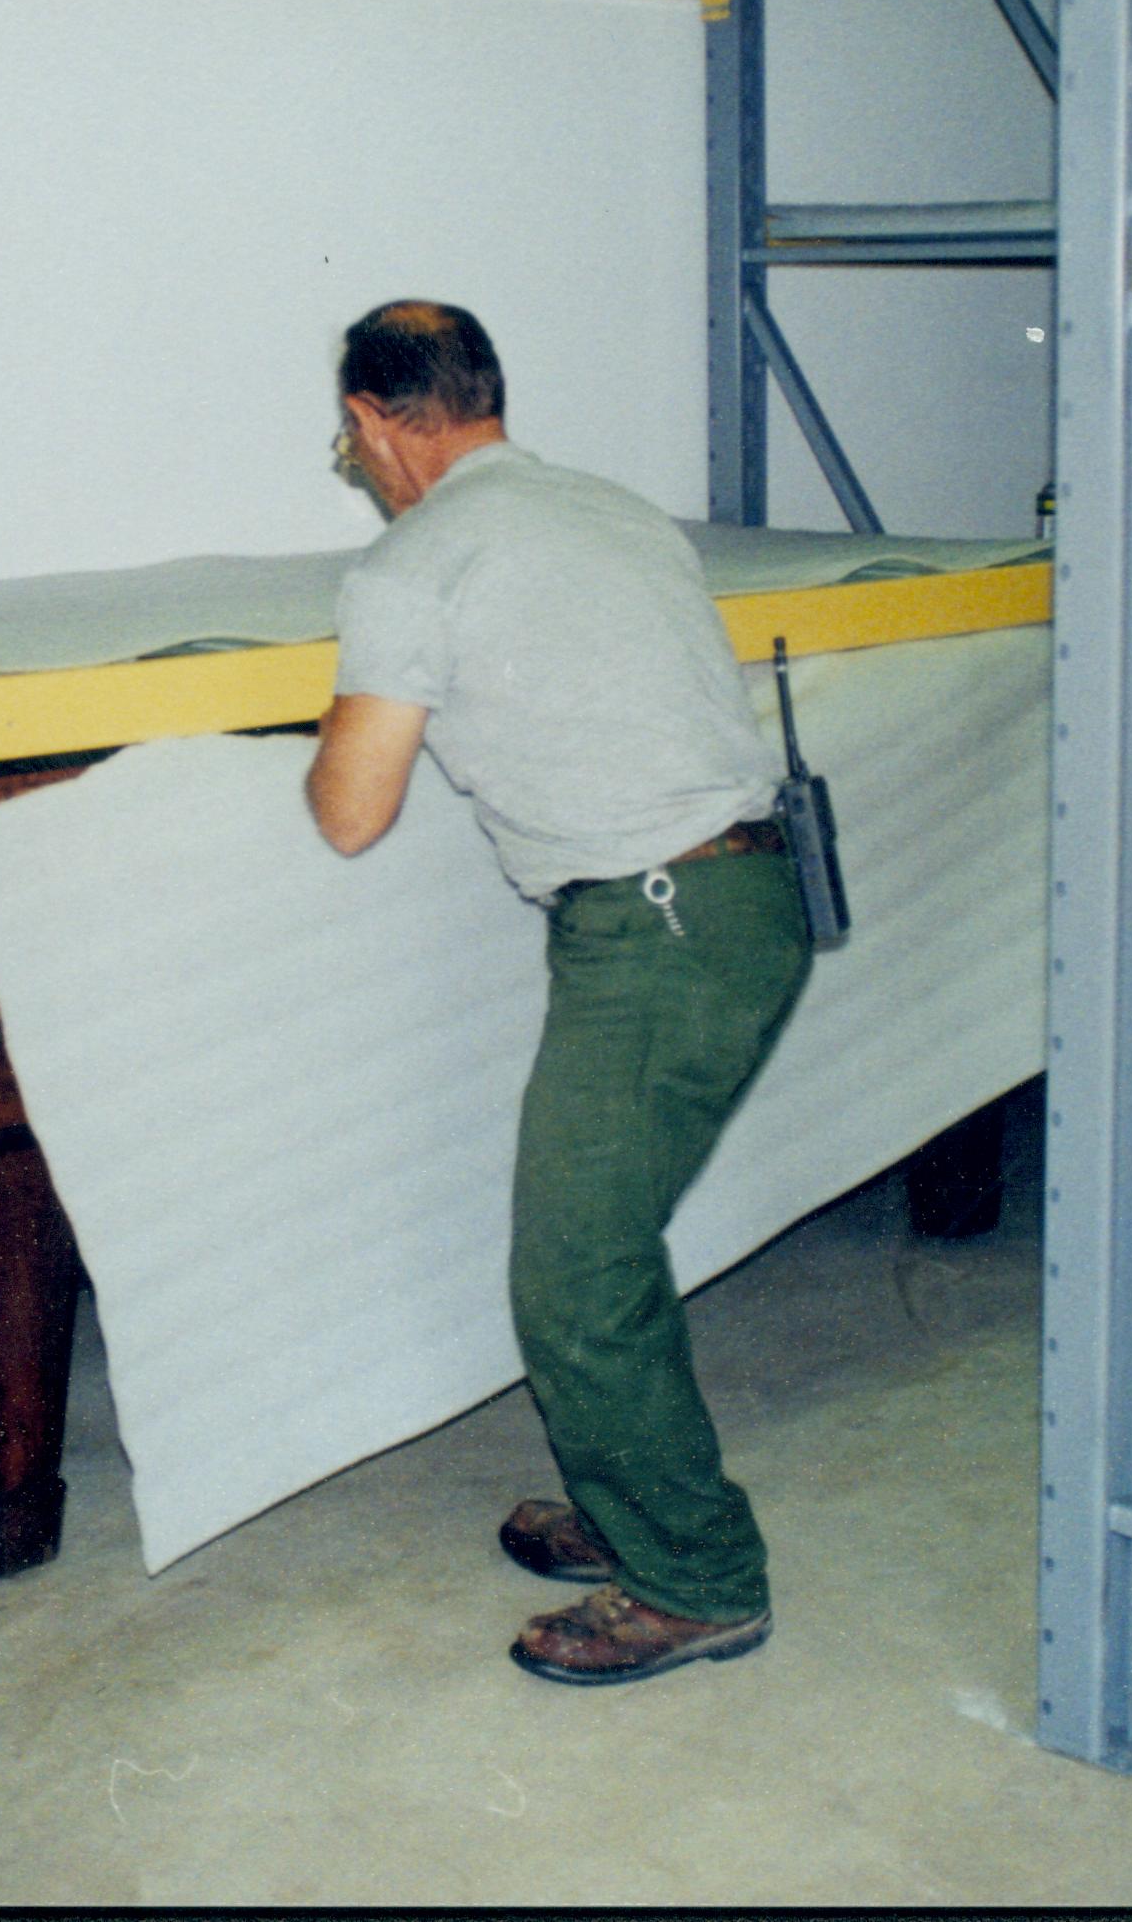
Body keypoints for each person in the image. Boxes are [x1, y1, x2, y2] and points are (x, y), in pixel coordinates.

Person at [305, 299, 814, 1687]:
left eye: (348, 443)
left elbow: (351, 811)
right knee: (606, 1242)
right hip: (741, 904)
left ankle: (698, 1578)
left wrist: (339, 714)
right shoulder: (616, 513)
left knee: (578, 1275)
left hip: (655, 924)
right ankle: (631, 1502)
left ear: (369, 422)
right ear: (483, 397)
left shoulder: (415, 565)